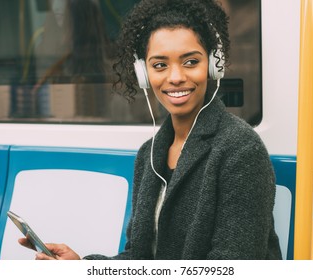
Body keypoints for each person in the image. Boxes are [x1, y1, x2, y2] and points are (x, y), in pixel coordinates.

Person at [19, 0, 282, 260]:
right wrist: (82, 268)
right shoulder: (150, 154)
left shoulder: (241, 149)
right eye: (160, 65)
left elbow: (232, 266)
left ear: (214, 65)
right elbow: (139, 258)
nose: (175, 76)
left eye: (190, 62)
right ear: (144, 74)